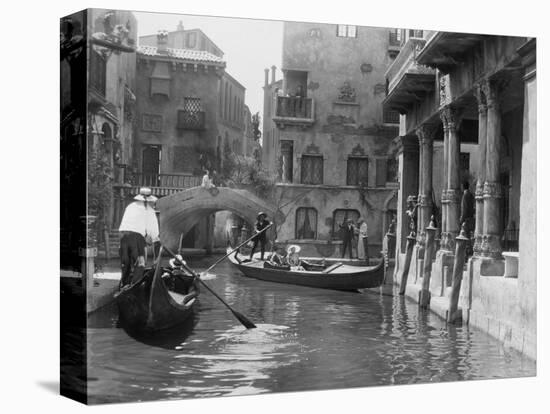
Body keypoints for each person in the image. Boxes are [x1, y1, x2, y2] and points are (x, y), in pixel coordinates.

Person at [118, 187, 160, 288]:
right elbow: (155, 236)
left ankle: (124, 285)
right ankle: (134, 287)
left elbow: (123, 227)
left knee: (125, 265)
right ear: (149, 201)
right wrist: (156, 259)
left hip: (123, 238)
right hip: (137, 240)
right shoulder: (150, 211)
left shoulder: (130, 206)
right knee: (140, 265)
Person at [460, 180, 475, 255]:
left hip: (466, 219)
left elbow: (464, 209)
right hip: (471, 218)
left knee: (465, 237)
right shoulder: (471, 195)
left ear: (463, 187)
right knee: (469, 236)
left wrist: (461, 219)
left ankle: (467, 253)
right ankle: (469, 251)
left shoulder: (465, 195)